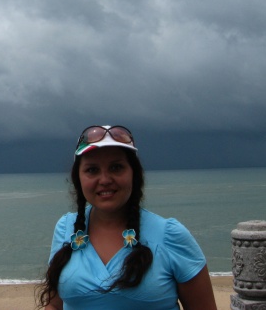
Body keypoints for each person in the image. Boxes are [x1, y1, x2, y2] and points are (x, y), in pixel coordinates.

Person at [38, 125, 216, 310]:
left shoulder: (171, 235)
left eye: (116, 167)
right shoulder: (66, 228)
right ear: (78, 178)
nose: (105, 179)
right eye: (92, 170)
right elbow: (54, 305)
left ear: (134, 174)